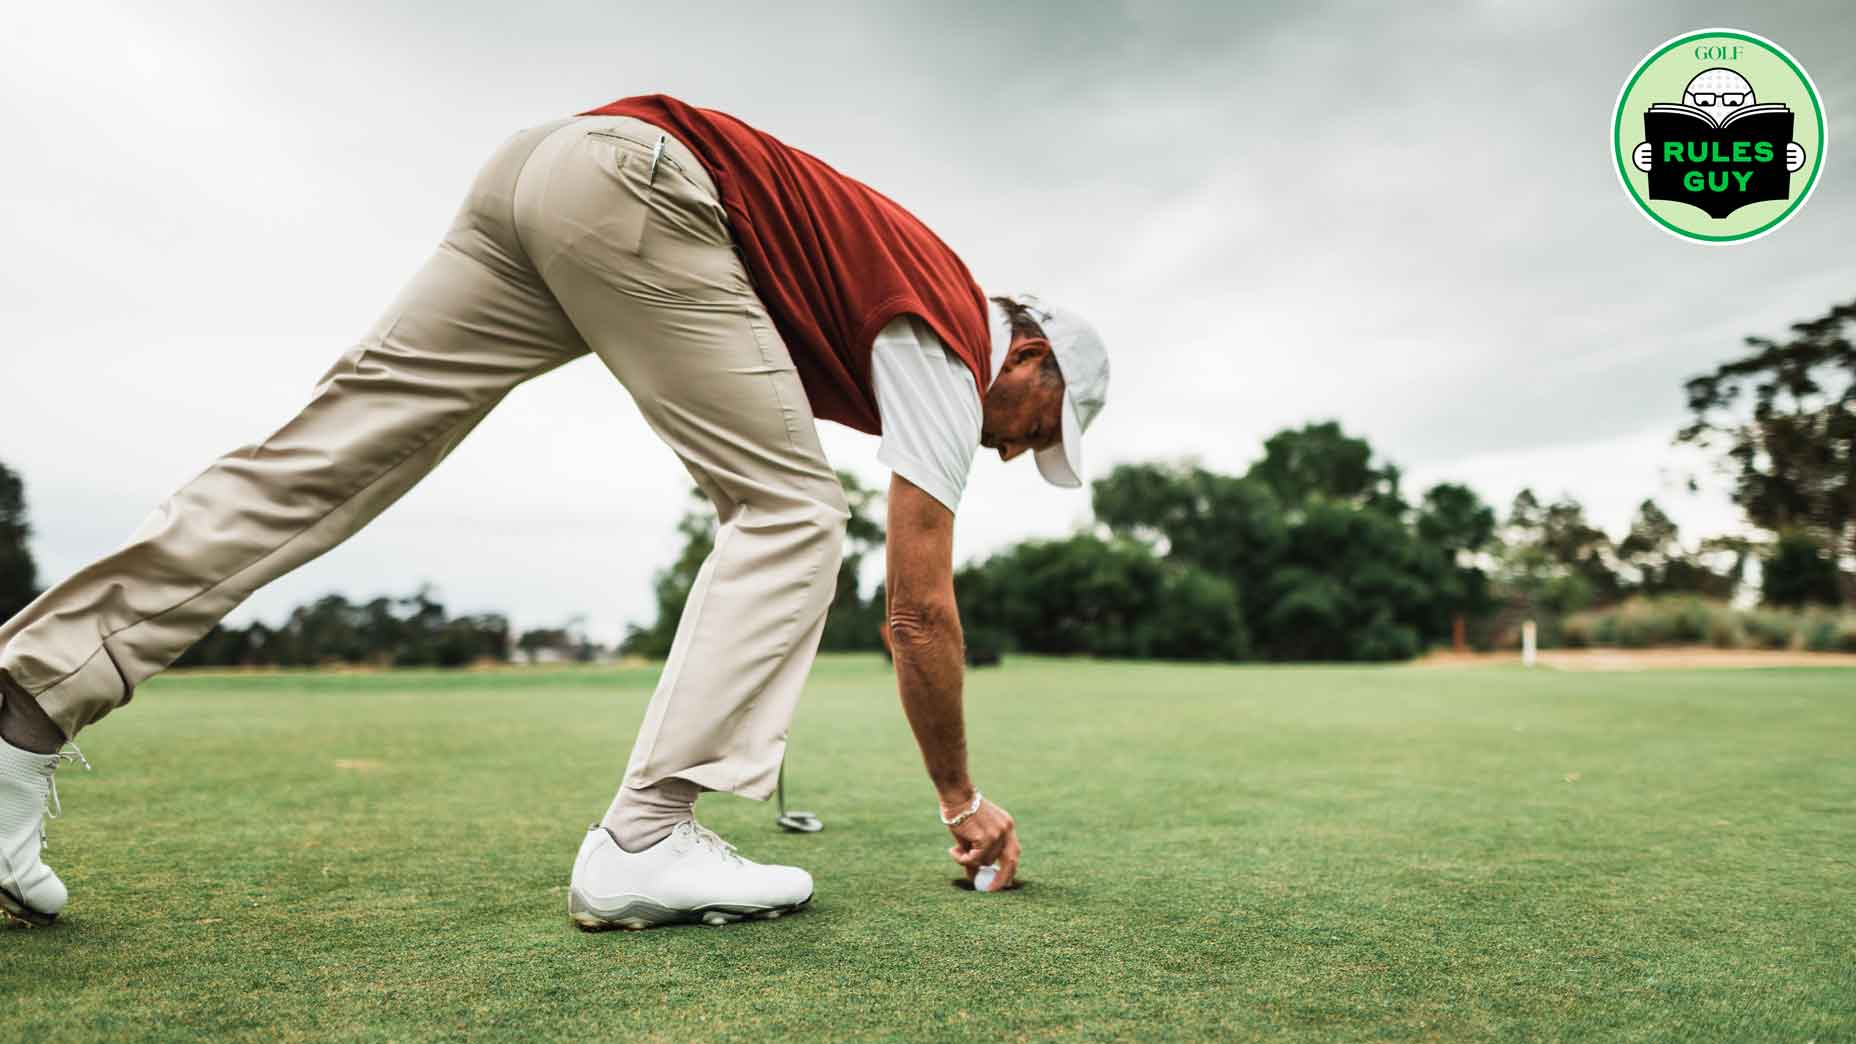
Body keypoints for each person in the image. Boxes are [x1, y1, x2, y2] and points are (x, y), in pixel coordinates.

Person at [0, 94, 1109, 930]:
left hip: (541, 169)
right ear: (1028, 353)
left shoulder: (925, 306)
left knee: (333, 456)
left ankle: (24, 707)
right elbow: (916, 610)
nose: (1016, 450)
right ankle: (645, 839)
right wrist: (959, 799)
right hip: (639, 181)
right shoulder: (951, 336)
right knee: (792, 513)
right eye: (1039, 423)